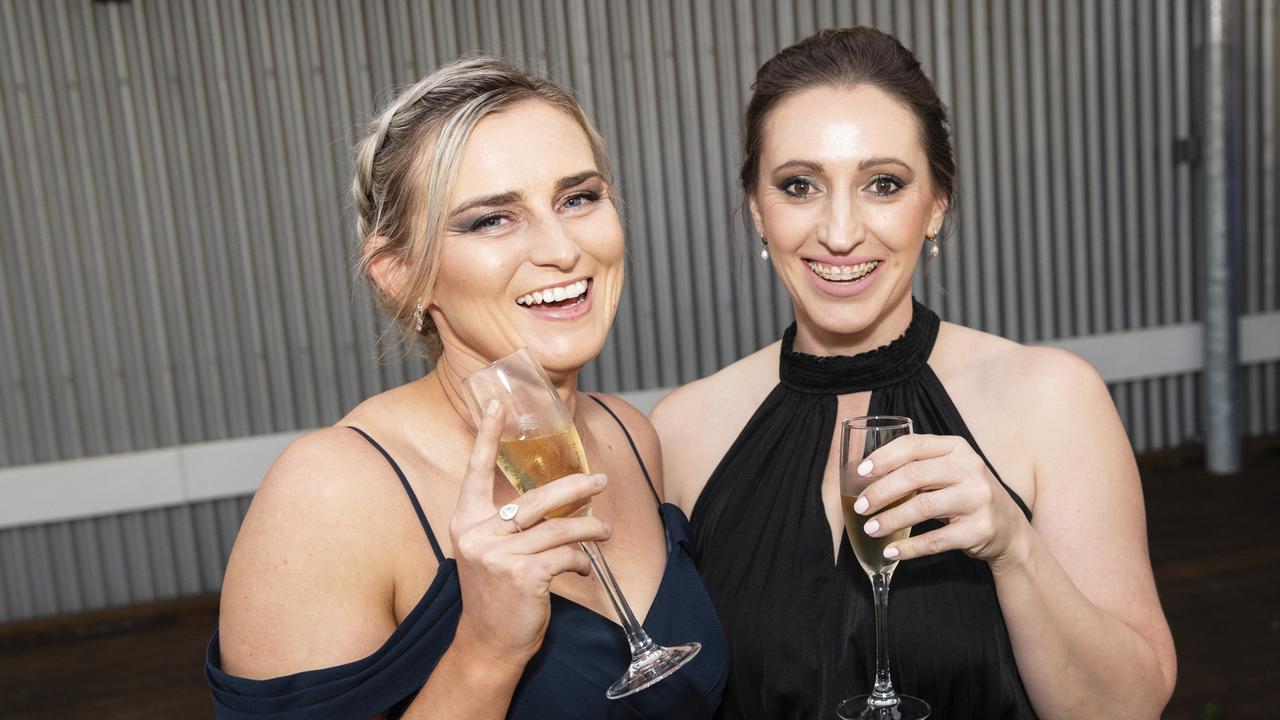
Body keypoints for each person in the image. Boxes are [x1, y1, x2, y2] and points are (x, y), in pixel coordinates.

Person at [652, 27, 1176, 720]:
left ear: (936, 205)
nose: (839, 232)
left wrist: (1014, 549)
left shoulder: (1052, 399)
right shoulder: (683, 431)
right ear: (757, 208)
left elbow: (1128, 706)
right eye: (799, 185)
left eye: (884, 185)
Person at [205, 56, 726, 719]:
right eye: (491, 220)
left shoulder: (629, 434)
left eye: (579, 198)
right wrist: (487, 649)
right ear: (401, 276)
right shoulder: (333, 493)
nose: (561, 248)